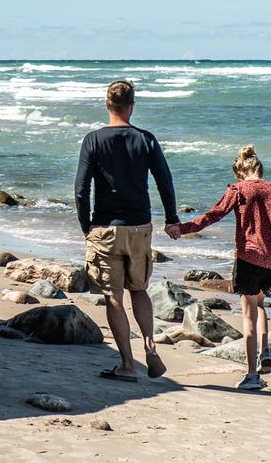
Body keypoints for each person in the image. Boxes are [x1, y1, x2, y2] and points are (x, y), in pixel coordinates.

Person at [75, 80, 181, 382]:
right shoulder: (146, 139)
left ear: (107, 105)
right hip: (140, 227)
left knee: (113, 297)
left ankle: (127, 365)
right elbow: (164, 181)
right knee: (139, 289)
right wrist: (171, 217)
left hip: (106, 227)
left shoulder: (93, 140)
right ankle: (149, 345)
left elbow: (81, 189)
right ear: (132, 106)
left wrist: (87, 226)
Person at [174, 145, 271, 391]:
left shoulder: (239, 190)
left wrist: (183, 228)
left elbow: (214, 214)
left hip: (249, 257)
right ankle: (265, 352)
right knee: (260, 305)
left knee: (248, 313)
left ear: (241, 172)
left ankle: (252, 375)